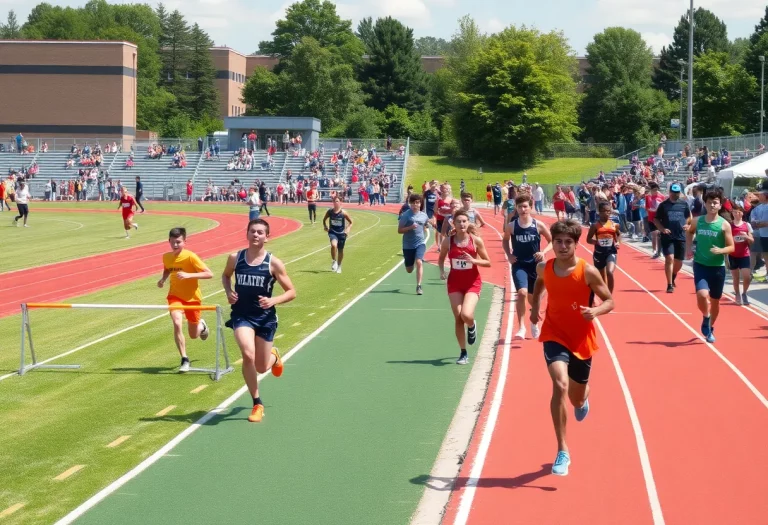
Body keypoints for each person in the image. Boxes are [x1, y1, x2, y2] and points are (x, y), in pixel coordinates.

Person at [530, 219, 614, 476]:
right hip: (554, 333)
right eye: (558, 242)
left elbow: (609, 301)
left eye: (568, 242)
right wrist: (534, 310)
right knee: (560, 384)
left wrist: (596, 310)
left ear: (576, 244)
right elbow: (539, 285)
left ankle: (583, 397)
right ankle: (562, 450)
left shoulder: (588, 271)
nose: (563, 246)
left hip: (581, 339)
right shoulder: (545, 267)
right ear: (552, 243)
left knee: (576, 397)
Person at [221, 219, 296, 423]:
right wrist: (228, 292)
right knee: (247, 353)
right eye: (252, 231)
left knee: (262, 367)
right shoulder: (235, 258)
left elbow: (291, 292)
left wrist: (273, 300)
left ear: (267, 237)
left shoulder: (273, 263)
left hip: (264, 318)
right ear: (246, 234)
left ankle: (274, 355)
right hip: (242, 315)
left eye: (260, 232)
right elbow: (226, 276)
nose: (256, 235)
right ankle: (257, 403)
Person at [437, 210, 492, 365]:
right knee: (458, 317)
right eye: (459, 221)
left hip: (472, 282)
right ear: (453, 223)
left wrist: (474, 261)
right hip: (454, 282)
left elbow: (488, 262)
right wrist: (441, 271)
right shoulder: (448, 241)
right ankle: (463, 352)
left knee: (466, 315)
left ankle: (472, 325)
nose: (462, 224)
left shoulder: (476, 241)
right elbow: (441, 259)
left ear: (469, 223)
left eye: (464, 221)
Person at [157, 228, 213, 372]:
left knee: (193, 335)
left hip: (192, 299)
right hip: (174, 296)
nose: (175, 245)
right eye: (173, 242)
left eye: (179, 242)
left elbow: (209, 274)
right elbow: (168, 268)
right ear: (168, 241)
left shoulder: (191, 257)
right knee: (177, 322)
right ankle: (184, 359)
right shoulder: (166, 257)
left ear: (184, 242)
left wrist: (189, 275)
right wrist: (163, 279)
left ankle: (202, 326)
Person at [685, 189, 735, 343]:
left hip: (718, 268)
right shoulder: (697, 221)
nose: (712, 205)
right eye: (709, 202)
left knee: (715, 301)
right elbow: (689, 232)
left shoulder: (724, 225)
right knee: (701, 294)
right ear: (705, 204)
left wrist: (721, 250)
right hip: (701, 264)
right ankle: (706, 317)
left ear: (720, 205)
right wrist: (688, 248)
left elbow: (731, 247)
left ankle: (710, 328)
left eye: (715, 202)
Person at [503, 194, 552, 339]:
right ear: (516, 209)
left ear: (530, 207)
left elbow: (551, 241)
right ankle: (521, 328)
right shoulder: (512, 226)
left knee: (534, 298)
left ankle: (534, 321)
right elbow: (505, 241)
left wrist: (543, 252)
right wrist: (509, 255)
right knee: (522, 293)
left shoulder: (538, 225)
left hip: (536, 266)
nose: (523, 209)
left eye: (525, 206)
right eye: (520, 207)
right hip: (519, 264)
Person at [653, 183, 691, 293]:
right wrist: (662, 229)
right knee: (669, 258)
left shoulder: (684, 204)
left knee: (679, 262)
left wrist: (688, 224)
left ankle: (673, 274)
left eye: (677, 192)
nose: (675, 194)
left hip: (680, 235)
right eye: (673, 192)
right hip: (667, 236)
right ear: (669, 192)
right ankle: (669, 285)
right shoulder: (663, 205)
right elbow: (656, 220)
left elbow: (688, 217)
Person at [399, 193, 435, 294]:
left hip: (420, 243)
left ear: (420, 204)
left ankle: (418, 286)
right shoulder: (406, 216)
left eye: (418, 203)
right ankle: (411, 262)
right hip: (408, 245)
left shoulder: (423, 215)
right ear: (410, 204)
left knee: (419, 262)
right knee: (409, 270)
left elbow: (426, 223)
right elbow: (399, 230)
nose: (416, 205)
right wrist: (410, 228)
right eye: (413, 203)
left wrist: (432, 223)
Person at [586, 201, 621, 294]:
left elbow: (618, 234)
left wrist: (617, 242)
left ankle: (610, 296)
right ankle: (605, 293)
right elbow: (588, 239)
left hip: (611, 252)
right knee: (601, 277)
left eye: (609, 211)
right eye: (605, 211)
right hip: (599, 253)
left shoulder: (614, 224)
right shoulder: (595, 226)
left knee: (609, 272)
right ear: (599, 212)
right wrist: (596, 242)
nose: (607, 213)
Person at [729, 203, 754, 305]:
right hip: (733, 255)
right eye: (735, 212)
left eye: (739, 212)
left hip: (744, 254)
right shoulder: (729, 225)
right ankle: (737, 294)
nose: (737, 214)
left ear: (742, 213)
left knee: (747, 277)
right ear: (732, 213)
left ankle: (744, 293)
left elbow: (752, 240)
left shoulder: (746, 225)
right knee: (735, 277)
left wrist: (746, 237)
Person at [322, 195, 353, 274]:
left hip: (342, 233)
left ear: (340, 202)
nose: (335, 203)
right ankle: (334, 261)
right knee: (334, 245)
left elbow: (351, 222)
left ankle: (339, 266)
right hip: (332, 232)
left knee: (340, 250)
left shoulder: (344, 213)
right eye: (334, 201)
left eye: (337, 201)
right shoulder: (330, 212)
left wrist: (348, 229)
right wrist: (325, 226)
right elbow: (324, 219)